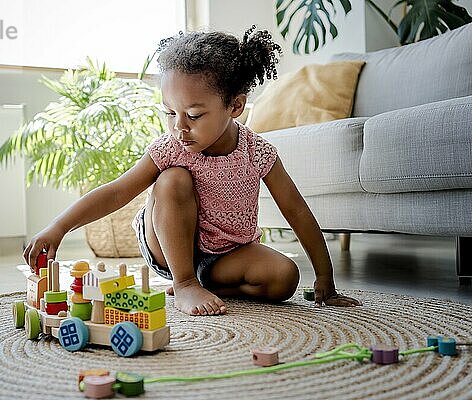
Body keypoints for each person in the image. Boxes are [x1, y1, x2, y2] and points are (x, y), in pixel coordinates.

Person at [24, 26, 362, 316]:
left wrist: (325, 277)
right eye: (170, 113)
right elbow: (117, 190)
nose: (179, 127)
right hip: (170, 248)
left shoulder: (258, 152)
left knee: (284, 278)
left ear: (236, 106)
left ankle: (202, 284)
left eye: (194, 115)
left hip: (228, 254)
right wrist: (59, 226)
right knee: (173, 178)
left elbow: (296, 209)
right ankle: (184, 282)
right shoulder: (170, 148)